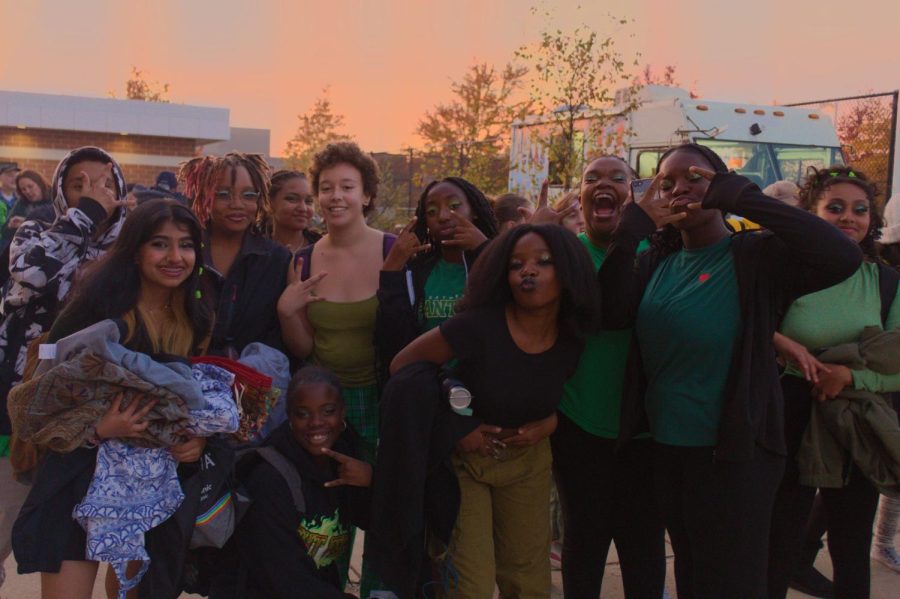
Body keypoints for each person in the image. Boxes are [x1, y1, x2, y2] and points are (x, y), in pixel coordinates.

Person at [599, 143, 862, 598]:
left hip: (733, 455)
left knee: (732, 583)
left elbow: (841, 255)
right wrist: (631, 230)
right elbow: (609, 310)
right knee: (692, 577)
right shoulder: (657, 261)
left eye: (694, 178)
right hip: (666, 447)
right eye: (667, 182)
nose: (680, 188)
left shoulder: (755, 257)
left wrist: (743, 196)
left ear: (719, 186)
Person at [11, 198, 212, 599]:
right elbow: (35, 401)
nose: (175, 256)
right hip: (75, 477)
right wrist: (98, 429)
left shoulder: (196, 316)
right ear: (135, 250)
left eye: (186, 245)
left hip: (150, 488)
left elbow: (191, 402)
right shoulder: (97, 309)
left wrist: (196, 439)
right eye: (160, 244)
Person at [391, 224, 597, 599]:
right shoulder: (479, 325)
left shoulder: (572, 335)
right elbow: (404, 367)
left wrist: (551, 421)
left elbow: (561, 392)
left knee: (528, 580)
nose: (527, 271)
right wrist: (457, 427)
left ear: (568, 273)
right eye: (516, 264)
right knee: (471, 584)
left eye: (543, 262)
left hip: (528, 464)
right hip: (466, 464)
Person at [0, 147, 128, 592]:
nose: (94, 192)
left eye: (105, 184)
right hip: (23, 411)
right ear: (60, 192)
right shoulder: (37, 232)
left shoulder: (133, 245)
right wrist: (85, 216)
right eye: (80, 185)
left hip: (99, 421)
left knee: (79, 547)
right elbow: (30, 276)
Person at [768, 166, 900, 598]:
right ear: (811, 214)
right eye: (835, 208)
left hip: (854, 415)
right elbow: (746, 326)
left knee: (851, 543)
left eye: (860, 210)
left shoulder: (885, 283)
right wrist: (781, 343)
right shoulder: (784, 270)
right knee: (779, 543)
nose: (849, 218)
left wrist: (850, 375)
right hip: (789, 412)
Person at [277, 141, 393, 597]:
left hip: (382, 399)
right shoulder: (302, 261)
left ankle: (382, 590)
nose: (335, 196)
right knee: (329, 510)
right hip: (326, 407)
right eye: (326, 188)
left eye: (347, 186)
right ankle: (328, 589)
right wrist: (288, 312)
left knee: (384, 505)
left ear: (366, 194)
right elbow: (305, 347)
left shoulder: (393, 252)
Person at [551, 156, 665, 598]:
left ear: (632, 195)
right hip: (579, 424)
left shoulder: (660, 253)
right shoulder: (565, 256)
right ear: (579, 196)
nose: (604, 185)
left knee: (644, 547)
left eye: (618, 178)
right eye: (591, 179)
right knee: (584, 541)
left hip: (645, 431)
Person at [233, 366, 372, 598]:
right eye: (303, 414)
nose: (316, 423)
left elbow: (382, 522)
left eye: (327, 411)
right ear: (289, 416)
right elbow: (284, 578)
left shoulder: (344, 453)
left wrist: (371, 479)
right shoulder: (269, 478)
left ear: (343, 412)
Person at [375, 176, 498, 382]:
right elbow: (391, 335)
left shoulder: (496, 262)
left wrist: (484, 249)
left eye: (454, 206)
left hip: (483, 388)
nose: (442, 216)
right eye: (431, 212)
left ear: (474, 211)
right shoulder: (417, 271)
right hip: (427, 387)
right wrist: (391, 269)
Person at [179, 152, 291, 358]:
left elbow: (277, 336)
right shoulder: (184, 252)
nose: (237, 204)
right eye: (223, 194)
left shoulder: (277, 260)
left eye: (249, 195)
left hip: (252, 381)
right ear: (204, 197)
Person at [266, 170, 321, 253]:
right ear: (269, 203)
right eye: (292, 199)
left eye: (308, 201)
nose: (303, 208)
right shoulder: (252, 251)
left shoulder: (323, 248)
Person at [2, 170, 54, 246]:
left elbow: (58, 229)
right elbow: (5, 232)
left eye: (30, 186)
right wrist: (11, 226)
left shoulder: (56, 198)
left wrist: (26, 222)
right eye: (23, 189)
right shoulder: (22, 202)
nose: (28, 191)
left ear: (40, 183)